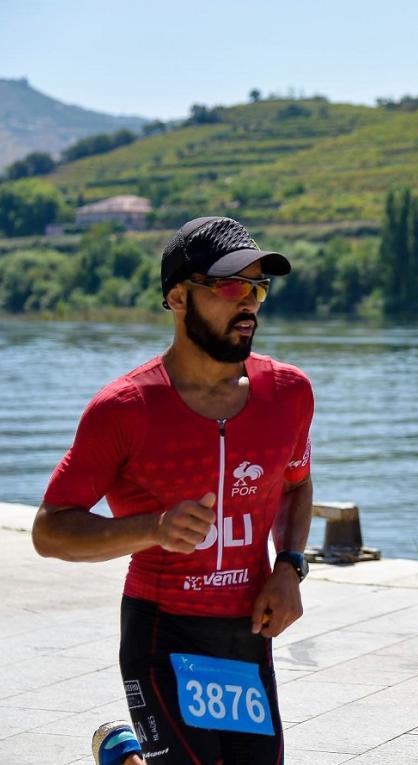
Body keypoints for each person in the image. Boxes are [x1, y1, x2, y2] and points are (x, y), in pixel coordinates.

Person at [32, 216, 314, 765]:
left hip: (245, 636)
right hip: (163, 632)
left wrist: (289, 567)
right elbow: (49, 530)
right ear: (179, 297)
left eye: (258, 288)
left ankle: (125, 756)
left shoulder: (289, 393)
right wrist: (151, 529)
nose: (250, 303)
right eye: (231, 286)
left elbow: (296, 486)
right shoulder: (125, 409)